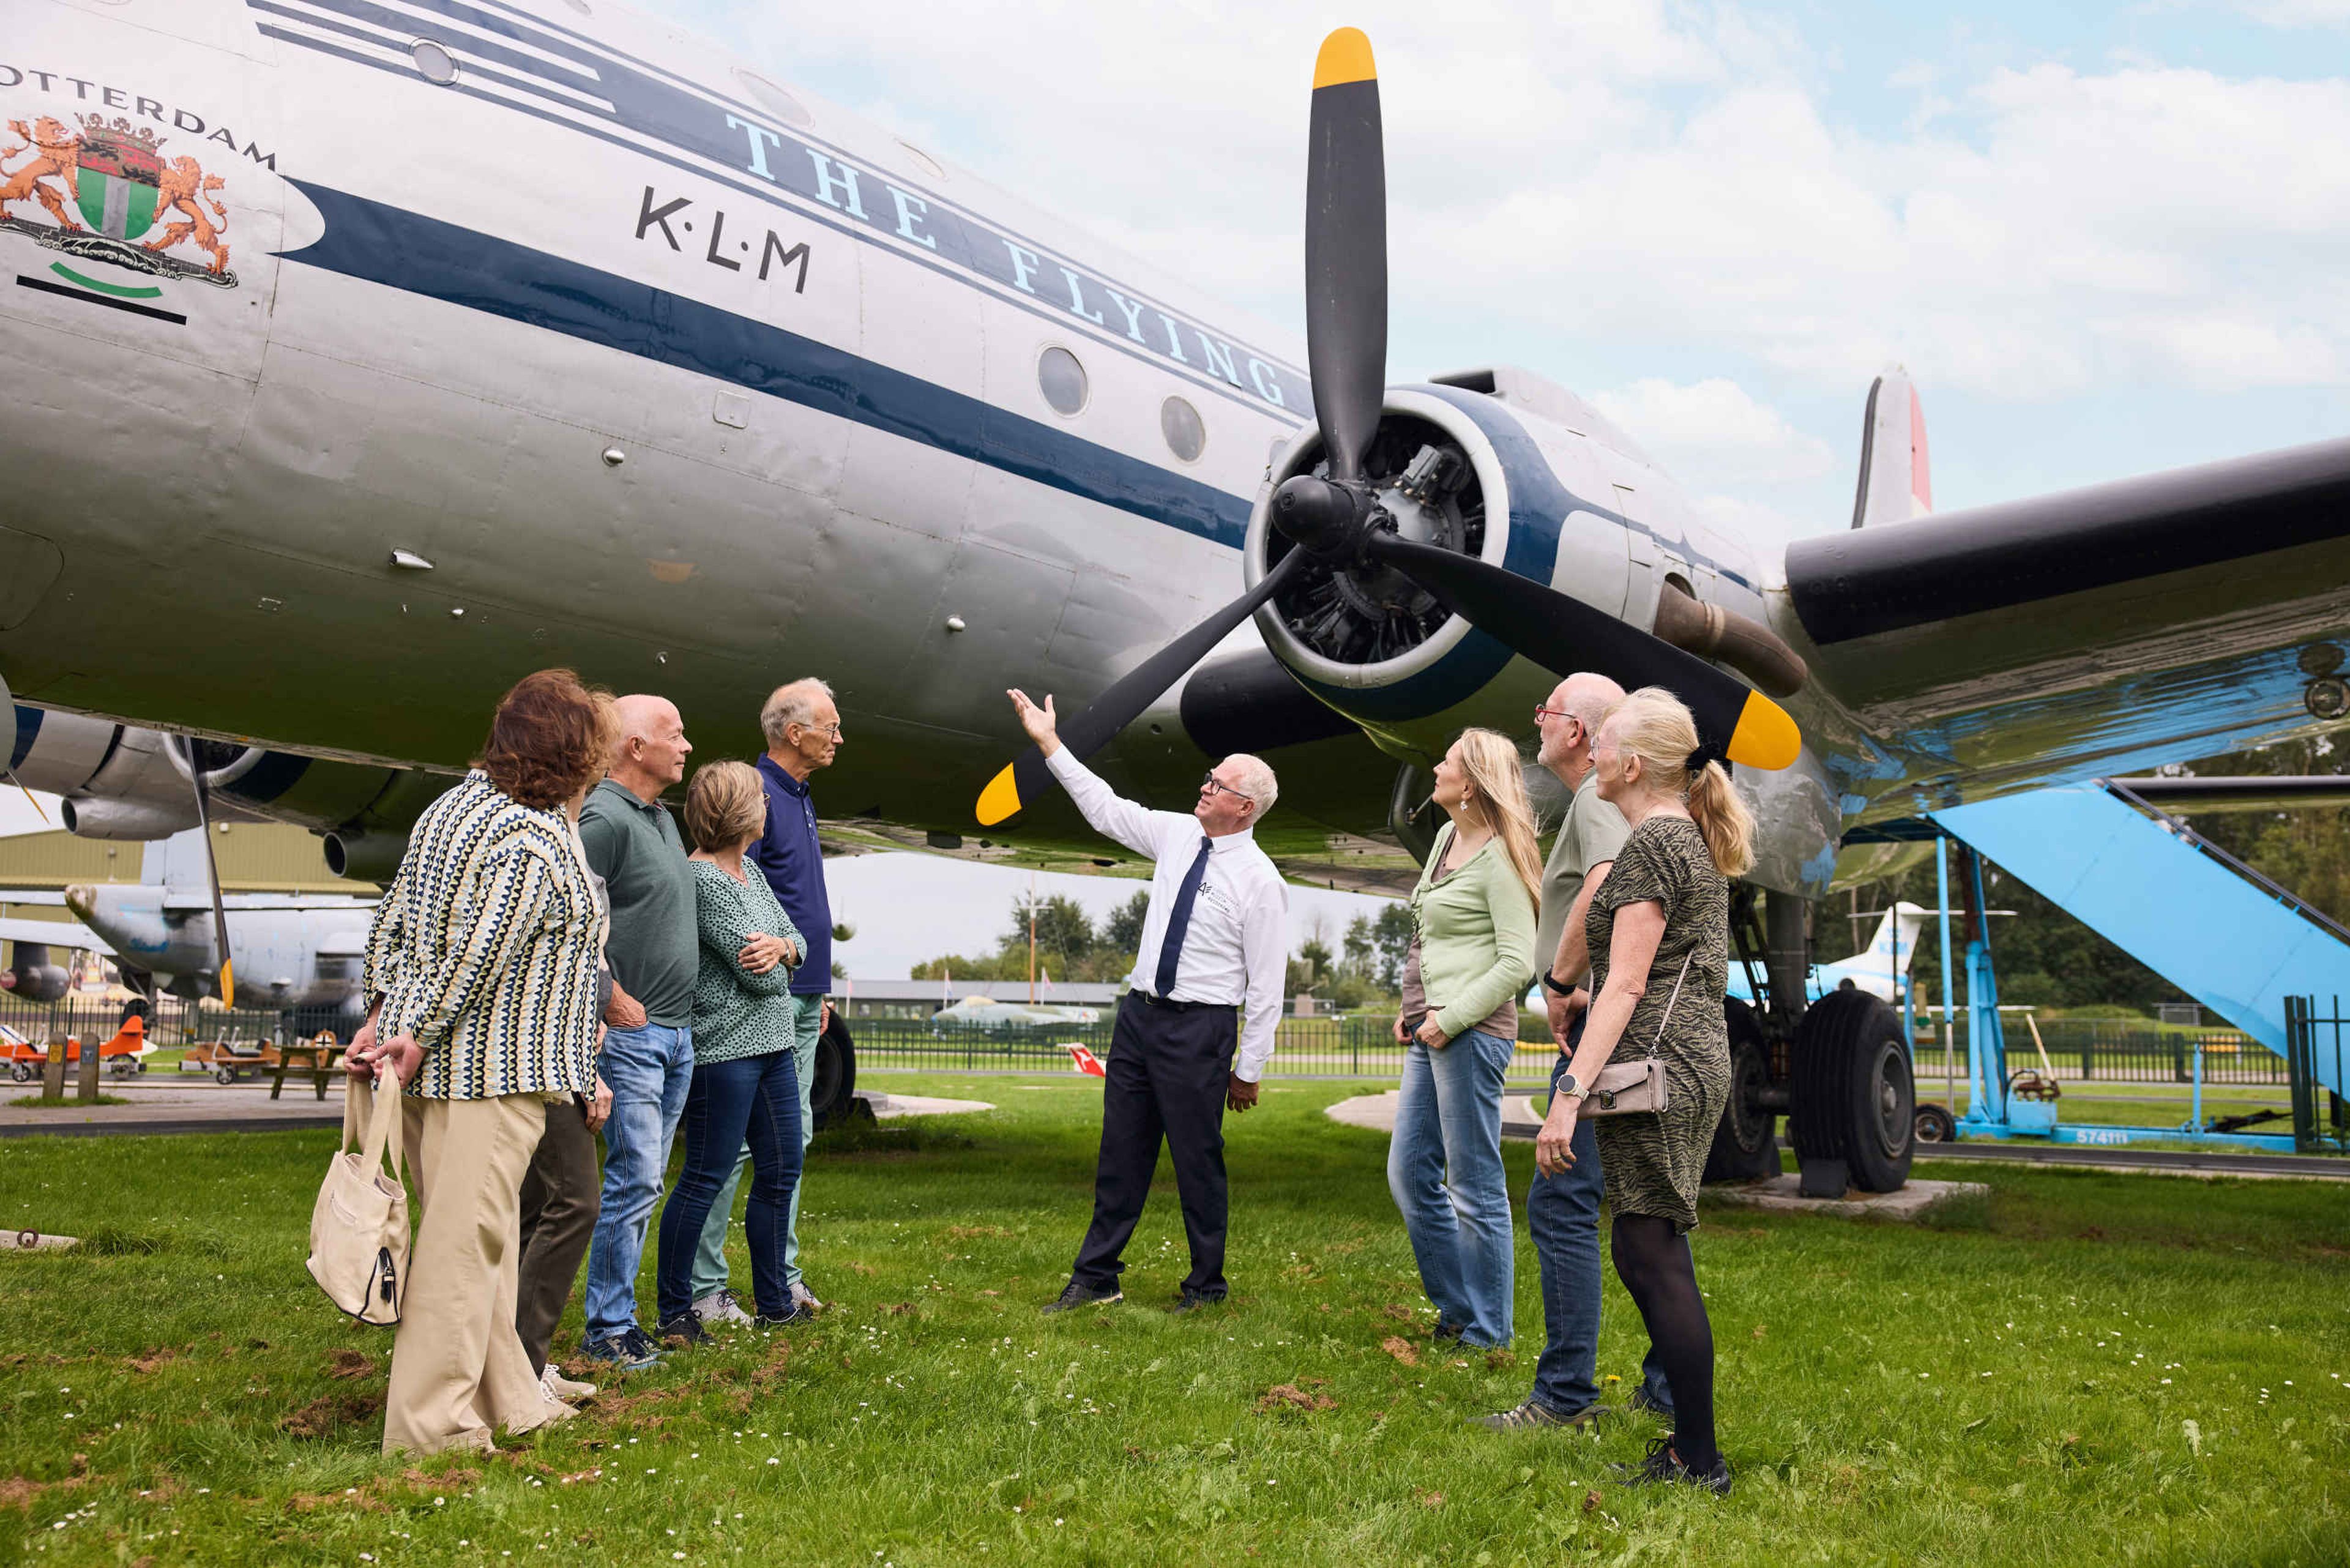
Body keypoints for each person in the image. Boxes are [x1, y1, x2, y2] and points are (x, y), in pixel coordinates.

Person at [346, 669, 614, 1455]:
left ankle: (512, 1399)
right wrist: (416, 1027)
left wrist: (383, 1013)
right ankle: (432, 1429)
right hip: (495, 1080)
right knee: (465, 1255)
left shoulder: (452, 808)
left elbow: (391, 921)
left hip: (445, 1073)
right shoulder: (531, 836)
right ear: (573, 752)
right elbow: (481, 954)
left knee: (481, 1248)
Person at [1532, 687, 1755, 1496]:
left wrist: (1568, 1092)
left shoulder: (1654, 842)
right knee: (1649, 1246)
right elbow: (1653, 972)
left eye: (1604, 742)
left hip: (1662, 1072)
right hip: (1685, 1060)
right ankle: (1691, 1448)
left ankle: (1699, 1457)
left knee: (1649, 1249)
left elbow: (1625, 984)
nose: (1591, 752)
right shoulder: (1671, 834)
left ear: (1632, 763)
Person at [1007, 687, 1285, 1313]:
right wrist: (1050, 743)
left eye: (1217, 785)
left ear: (1244, 808)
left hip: (1200, 1030)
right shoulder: (1178, 835)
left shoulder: (1261, 882)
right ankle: (1097, 1276)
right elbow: (1105, 809)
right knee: (1120, 1153)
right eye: (1208, 780)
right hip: (1138, 1019)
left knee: (1197, 1161)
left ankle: (1206, 1286)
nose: (1204, 788)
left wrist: (1249, 1070)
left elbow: (1268, 988)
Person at [1479, 674, 1673, 1432]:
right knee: (1645, 1211)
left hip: (1601, 1033)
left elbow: (1604, 882)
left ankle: (1563, 1395)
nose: (1536, 717)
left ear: (1581, 736)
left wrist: (1562, 978)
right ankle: (1661, 1387)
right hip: (1630, 1032)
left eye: (1548, 711)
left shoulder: (1596, 798)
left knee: (1563, 1204)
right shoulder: (1604, 800)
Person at [687, 678, 843, 1324]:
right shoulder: (757, 797)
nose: (840, 736)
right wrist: (785, 960)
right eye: (831, 725)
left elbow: (792, 909)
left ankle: (780, 1278)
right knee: (739, 1150)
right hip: (758, 1004)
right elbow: (743, 900)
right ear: (794, 732)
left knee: (788, 1145)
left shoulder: (799, 795)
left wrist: (816, 981)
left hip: (800, 996)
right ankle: (705, 1286)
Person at [1386, 728, 1542, 1350]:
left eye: (1446, 762)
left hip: (1472, 1033)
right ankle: (1459, 1311)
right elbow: (1426, 931)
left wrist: (1448, 1019)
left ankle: (1489, 1333)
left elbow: (1516, 964)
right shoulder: (1448, 838)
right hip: (1432, 1025)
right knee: (1409, 1174)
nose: (1436, 770)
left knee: (1473, 1185)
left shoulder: (1501, 858)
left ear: (1471, 783)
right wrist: (1413, 1006)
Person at [654, 762, 809, 1342]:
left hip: (773, 1045)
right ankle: (675, 1310)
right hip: (726, 1053)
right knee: (705, 1176)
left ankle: (775, 1302)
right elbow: (762, 977)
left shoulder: (749, 873)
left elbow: (796, 941)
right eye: (762, 801)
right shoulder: (705, 881)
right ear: (742, 810)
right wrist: (783, 956)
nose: (769, 809)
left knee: (780, 1170)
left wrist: (785, 950)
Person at [578, 695, 698, 1368]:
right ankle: (607, 1331)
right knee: (634, 1179)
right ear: (634, 747)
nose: (686, 746)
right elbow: (568, 915)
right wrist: (608, 995)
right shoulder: (603, 817)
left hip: (676, 1035)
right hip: (631, 1039)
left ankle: (620, 1320)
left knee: (646, 1177)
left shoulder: (659, 818)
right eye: (673, 735)